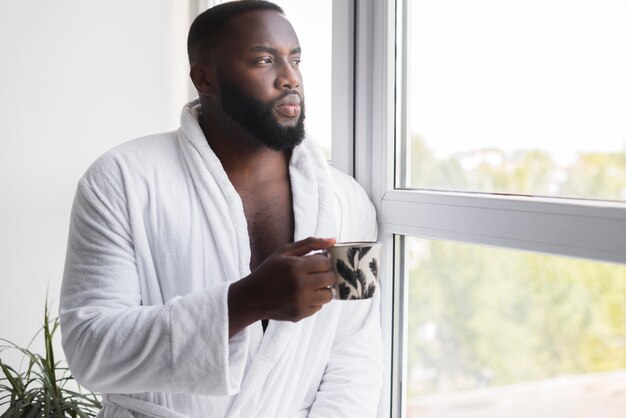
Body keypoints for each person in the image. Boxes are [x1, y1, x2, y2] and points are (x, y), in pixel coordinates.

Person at [60, 1, 383, 417]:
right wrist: (243, 303)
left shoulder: (347, 203)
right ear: (204, 78)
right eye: (263, 60)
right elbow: (90, 351)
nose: (289, 78)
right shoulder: (120, 180)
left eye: (295, 59)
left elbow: (356, 354)